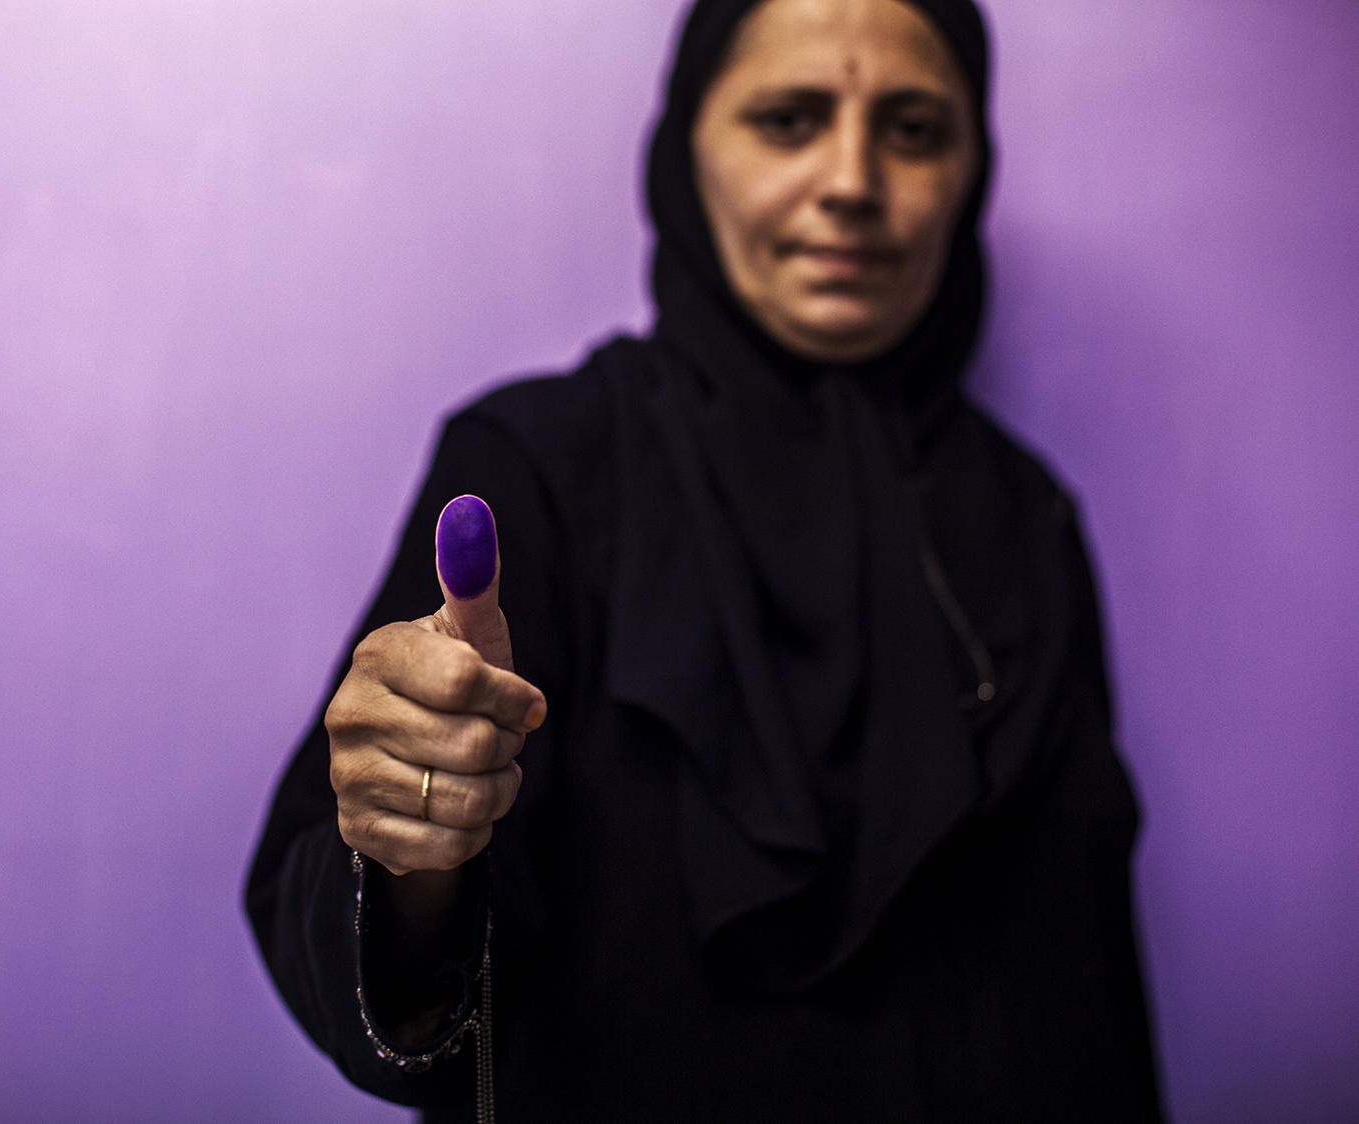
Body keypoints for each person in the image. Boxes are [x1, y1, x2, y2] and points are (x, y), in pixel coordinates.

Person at [246, 0, 1163, 1118]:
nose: (852, 181)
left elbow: (1092, 978)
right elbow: (371, 977)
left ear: (974, 168)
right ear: (690, 148)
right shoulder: (545, 467)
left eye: (915, 130)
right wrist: (414, 846)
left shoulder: (1027, 519)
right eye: (788, 119)